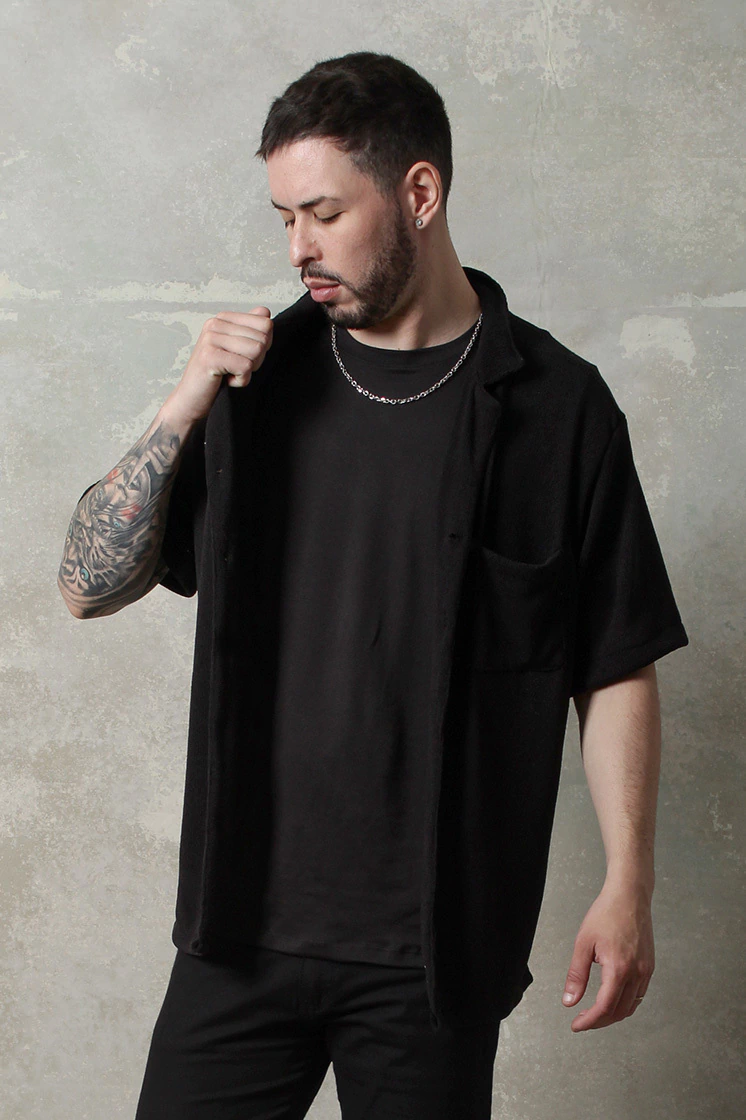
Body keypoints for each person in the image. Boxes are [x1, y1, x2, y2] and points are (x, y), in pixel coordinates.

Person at [58, 51, 689, 1120]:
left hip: (431, 960)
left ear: (419, 194)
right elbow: (86, 586)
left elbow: (613, 662)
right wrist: (184, 402)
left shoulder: (558, 410)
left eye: (323, 213)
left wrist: (628, 882)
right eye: (283, 218)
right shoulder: (254, 389)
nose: (297, 248)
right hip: (238, 934)